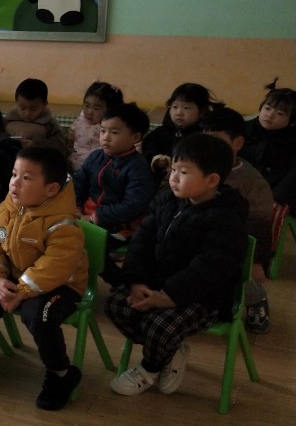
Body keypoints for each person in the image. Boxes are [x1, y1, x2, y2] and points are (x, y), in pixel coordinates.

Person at [106, 135, 248, 397]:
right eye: (173, 169)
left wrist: (169, 296)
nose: (173, 177)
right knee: (117, 305)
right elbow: (142, 241)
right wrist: (137, 281)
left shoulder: (226, 217)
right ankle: (169, 350)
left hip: (203, 297)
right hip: (156, 284)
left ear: (212, 180)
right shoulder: (167, 200)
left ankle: (149, 368)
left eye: (183, 172)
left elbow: (211, 268)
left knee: (160, 325)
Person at [0, 146, 88, 411]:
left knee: (38, 314)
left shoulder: (63, 224)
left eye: (26, 178)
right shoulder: (4, 209)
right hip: (14, 279)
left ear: (51, 189)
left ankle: (60, 374)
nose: (15, 182)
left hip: (60, 285)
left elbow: (55, 267)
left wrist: (23, 291)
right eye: (14, 174)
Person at [201, 108, 275, 333]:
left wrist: (257, 260)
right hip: (199, 234)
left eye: (216, 140)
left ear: (238, 143)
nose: (208, 147)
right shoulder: (194, 166)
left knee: (239, 270)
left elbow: (260, 223)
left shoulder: (251, 181)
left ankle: (256, 299)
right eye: (204, 139)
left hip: (235, 241)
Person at [73, 102, 155, 281]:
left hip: (120, 227)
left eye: (114, 132)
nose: (106, 138)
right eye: (103, 131)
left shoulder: (137, 167)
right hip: (85, 217)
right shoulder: (95, 157)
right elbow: (78, 184)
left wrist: (95, 217)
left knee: (89, 243)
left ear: (135, 137)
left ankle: (119, 282)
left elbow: (133, 205)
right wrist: (76, 207)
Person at [142, 83, 219, 185]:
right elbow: (148, 144)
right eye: (174, 107)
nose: (179, 112)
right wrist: (155, 157)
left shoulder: (202, 136)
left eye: (186, 108)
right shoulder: (162, 131)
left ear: (202, 112)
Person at [241, 80, 296, 209]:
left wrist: (277, 197)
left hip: (277, 193)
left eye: (280, 113)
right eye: (267, 108)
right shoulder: (243, 129)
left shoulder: (292, 139)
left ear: (292, 121)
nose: (269, 115)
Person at [68, 81, 124, 170]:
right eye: (87, 106)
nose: (89, 112)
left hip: (101, 165)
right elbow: (71, 144)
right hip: (77, 161)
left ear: (110, 110)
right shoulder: (80, 121)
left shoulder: (111, 128)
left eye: (96, 108)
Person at [4, 78, 64, 153]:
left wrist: (36, 145)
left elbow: (60, 147)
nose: (27, 113)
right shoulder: (7, 120)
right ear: (16, 102)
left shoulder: (51, 124)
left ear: (45, 104)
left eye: (33, 109)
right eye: (22, 108)